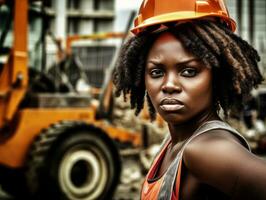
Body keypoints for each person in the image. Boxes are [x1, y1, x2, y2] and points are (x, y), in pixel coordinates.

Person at [113, 0, 266, 199]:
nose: (169, 84)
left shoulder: (206, 149)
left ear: (217, 76)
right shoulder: (172, 143)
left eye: (188, 71)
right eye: (157, 72)